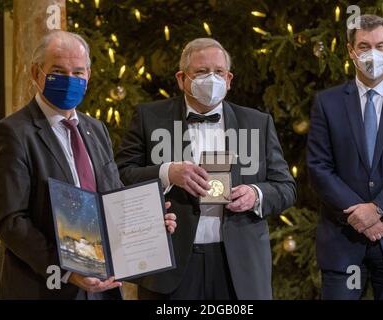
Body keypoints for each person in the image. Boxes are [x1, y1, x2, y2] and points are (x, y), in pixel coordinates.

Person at [0, 30, 177, 300]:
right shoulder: (12, 133)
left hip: (102, 289)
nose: (69, 80)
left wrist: (150, 223)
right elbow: (11, 221)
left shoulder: (96, 129)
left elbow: (111, 199)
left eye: (78, 72)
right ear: (36, 73)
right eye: (59, 71)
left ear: (88, 77)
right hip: (43, 287)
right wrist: (67, 271)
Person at [115, 37, 296, 300]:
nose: (211, 79)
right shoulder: (150, 118)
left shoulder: (257, 123)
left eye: (219, 72)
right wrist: (167, 173)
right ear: (181, 78)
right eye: (201, 72)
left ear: (229, 79)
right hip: (171, 265)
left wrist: (256, 194)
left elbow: (286, 187)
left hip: (238, 266)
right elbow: (120, 176)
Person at [307, 14, 383, 300]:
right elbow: (318, 167)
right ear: (351, 51)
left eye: (379, 45)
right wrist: (358, 213)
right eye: (364, 46)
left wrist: (377, 210)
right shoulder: (327, 103)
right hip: (343, 241)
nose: (372, 53)